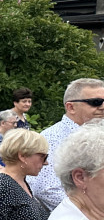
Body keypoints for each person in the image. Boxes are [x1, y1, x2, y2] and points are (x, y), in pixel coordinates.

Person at [29, 77, 104, 210]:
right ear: (71, 107)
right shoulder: (50, 138)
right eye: (96, 102)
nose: (102, 107)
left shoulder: (98, 133)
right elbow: (45, 189)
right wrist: (91, 212)